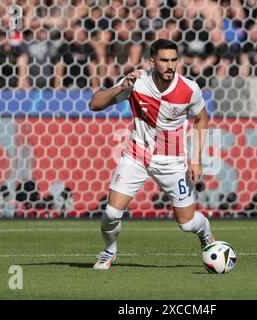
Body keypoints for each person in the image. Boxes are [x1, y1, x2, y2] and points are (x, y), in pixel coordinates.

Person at [89, 39, 215, 270]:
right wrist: (121, 87)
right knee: (111, 212)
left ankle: (205, 231)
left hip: (173, 161)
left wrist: (196, 160)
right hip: (137, 155)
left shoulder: (189, 88)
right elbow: (95, 105)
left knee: (187, 224)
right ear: (152, 61)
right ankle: (109, 251)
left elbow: (202, 119)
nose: (170, 66)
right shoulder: (136, 83)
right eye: (164, 60)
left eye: (174, 60)